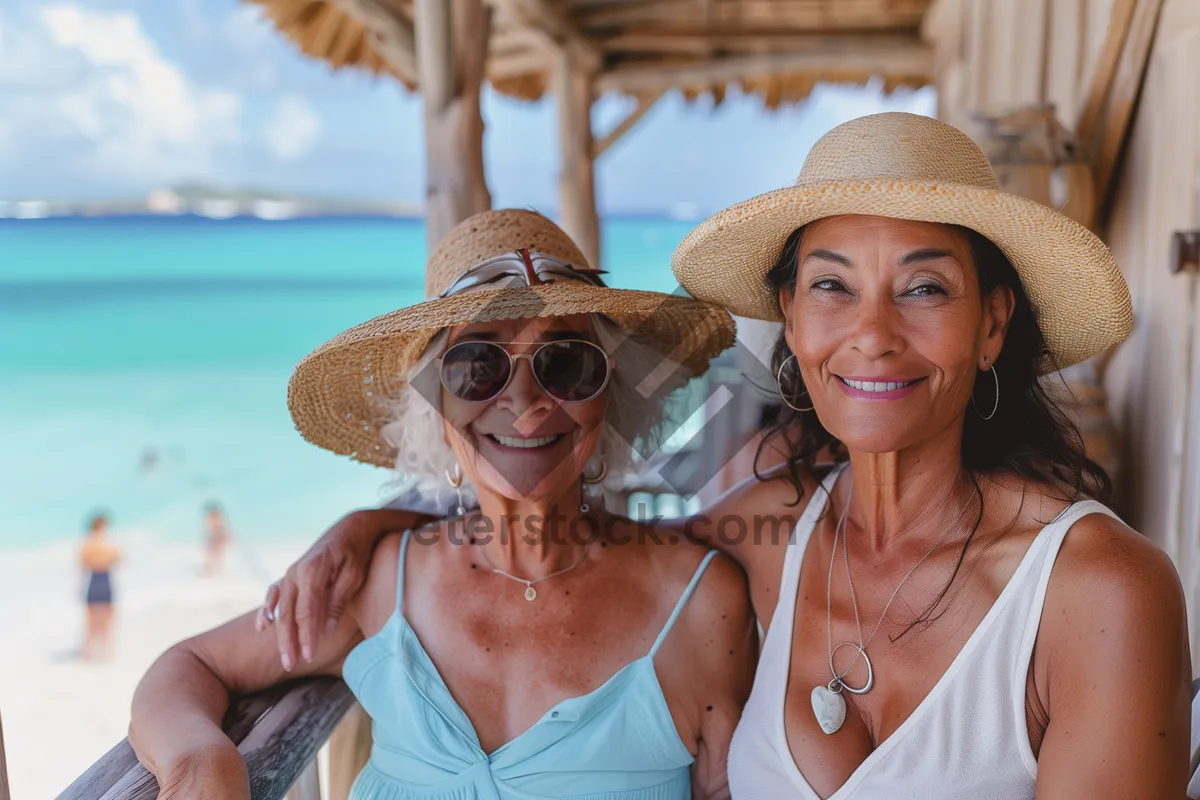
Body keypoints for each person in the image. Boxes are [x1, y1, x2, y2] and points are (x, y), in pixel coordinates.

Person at [262, 114, 1192, 798]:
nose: (870, 334)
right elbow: (570, 534)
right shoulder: (771, 529)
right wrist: (376, 526)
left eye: (923, 287)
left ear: (992, 326)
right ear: (790, 316)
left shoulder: (1097, 592)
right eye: (832, 285)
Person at [128, 209, 757, 799]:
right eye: (477, 366)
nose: (525, 403)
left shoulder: (701, 607)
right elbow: (190, 665)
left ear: (608, 395)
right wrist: (202, 761)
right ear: (437, 403)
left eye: (564, 362)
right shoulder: (378, 581)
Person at [80, 512, 120, 661]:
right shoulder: (107, 544)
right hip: (103, 578)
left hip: (93, 579)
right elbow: (119, 560)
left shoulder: (87, 544)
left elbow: (83, 564)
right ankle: (106, 652)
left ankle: (89, 653)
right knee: (108, 617)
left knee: (91, 619)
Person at [202, 501, 232, 576]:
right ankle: (211, 570)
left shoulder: (217, 519)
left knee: (216, 554)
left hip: (217, 536)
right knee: (212, 553)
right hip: (214, 536)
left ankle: (213, 570)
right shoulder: (212, 519)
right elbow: (210, 528)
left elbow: (222, 529)